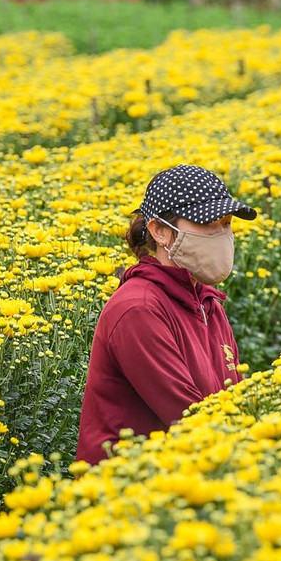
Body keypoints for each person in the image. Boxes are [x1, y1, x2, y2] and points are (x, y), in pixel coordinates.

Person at [75, 164, 257, 466]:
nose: (221, 235)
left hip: (189, 477)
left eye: (226, 224)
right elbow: (190, 417)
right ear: (160, 231)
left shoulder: (208, 303)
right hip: (128, 494)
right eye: (207, 223)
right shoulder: (138, 309)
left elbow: (232, 401)